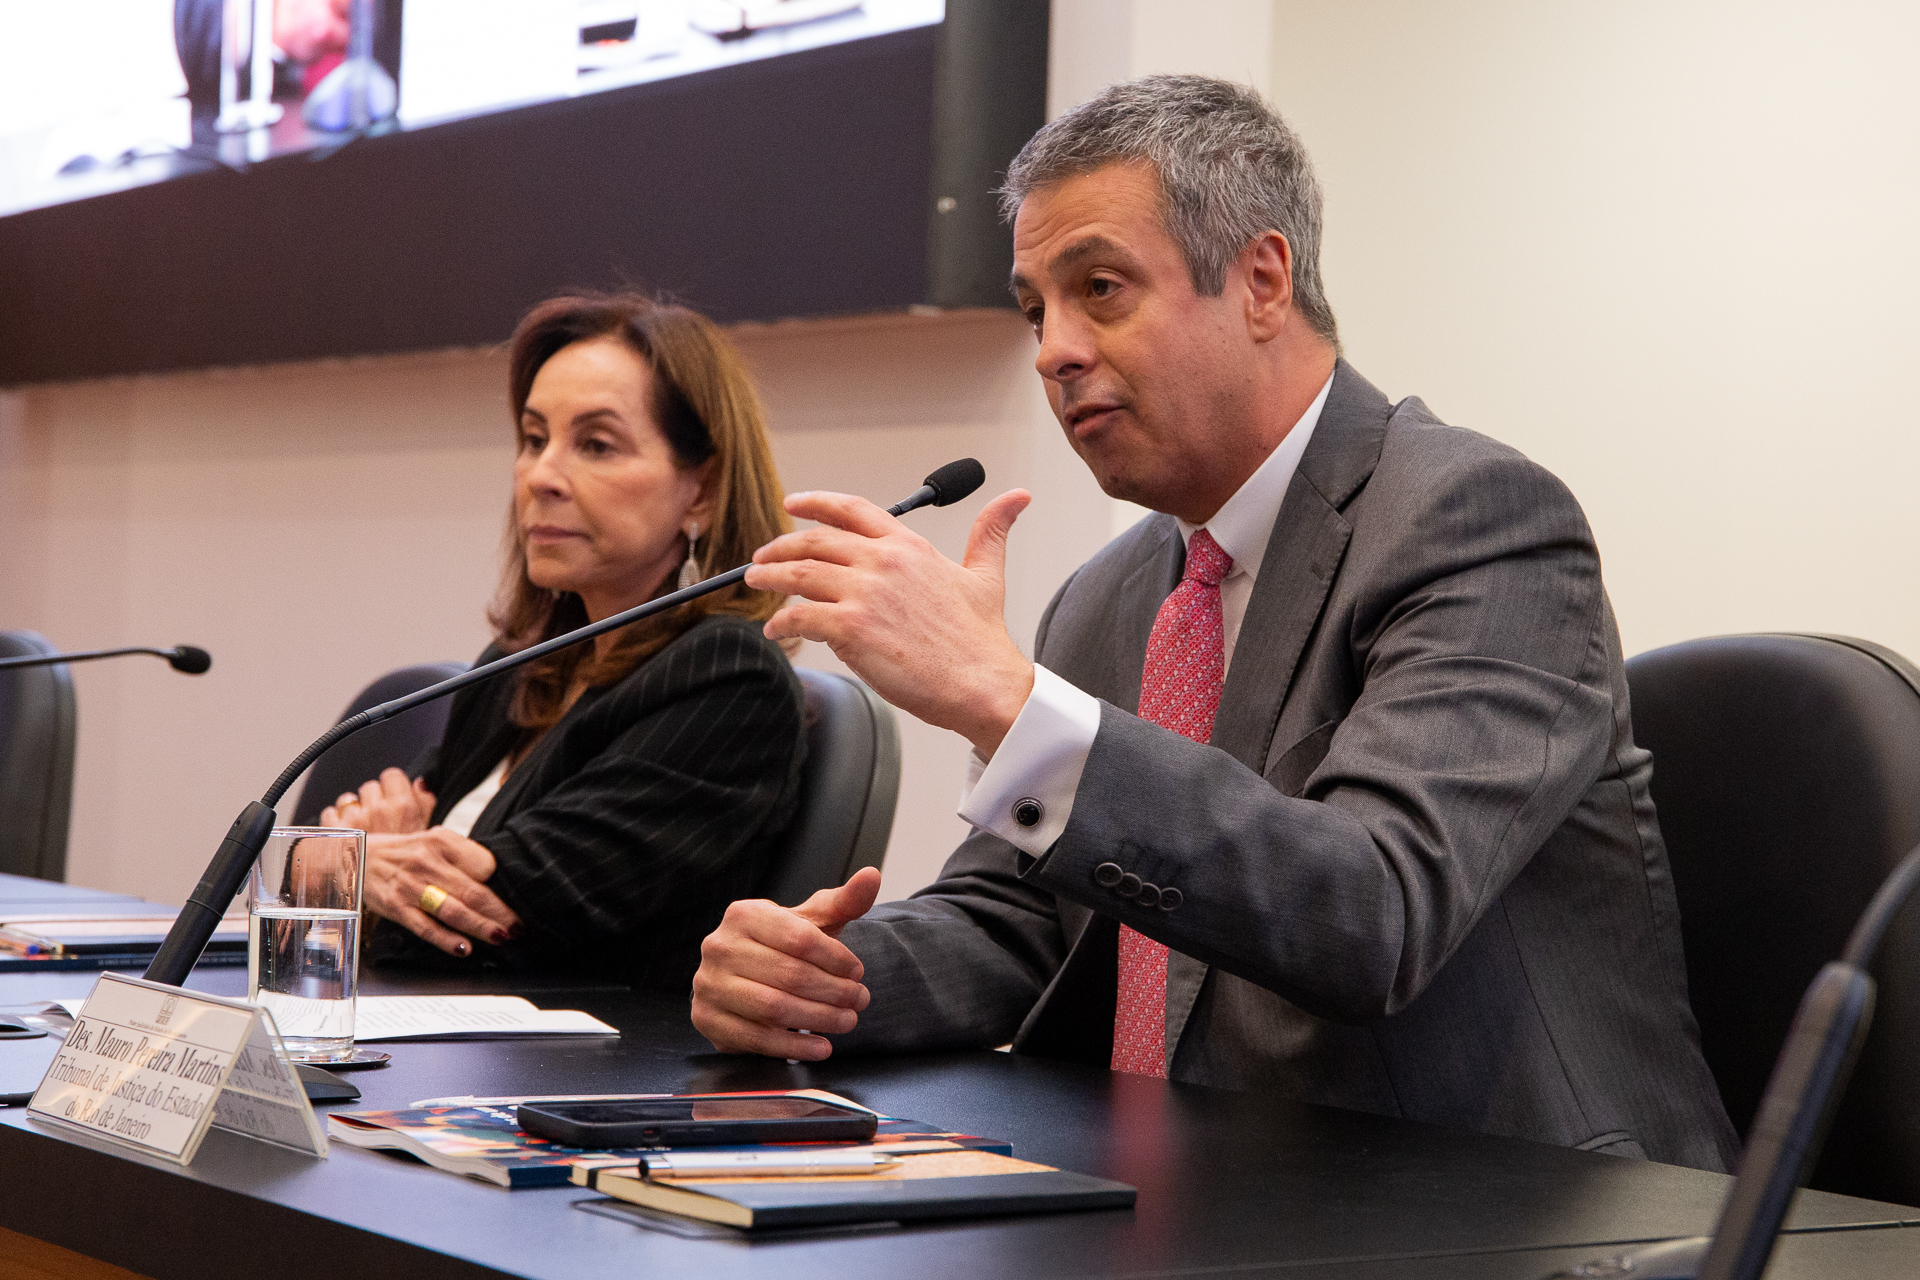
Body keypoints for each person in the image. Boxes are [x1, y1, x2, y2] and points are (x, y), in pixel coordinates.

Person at [689, 75, 1740, 1171]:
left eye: (1100, 288)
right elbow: (1029, 919)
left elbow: (1373, 907)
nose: (1053, 348)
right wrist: (829, 979)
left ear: (1262, 280)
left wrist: (1009, 703)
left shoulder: (1478, 522)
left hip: (1503, 1202)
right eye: (1036, 308)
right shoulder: (1111, 593)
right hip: (1205, 1190)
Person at [323, 292, 806, 992]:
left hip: (578, 1079)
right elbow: (348, 873)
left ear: (700, 490)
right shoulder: (516, 668)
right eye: (533, 439)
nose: (541, 476)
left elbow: (497, 924)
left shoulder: (729, 676)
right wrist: (378, 865)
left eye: (596, 444)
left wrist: (371, 865)